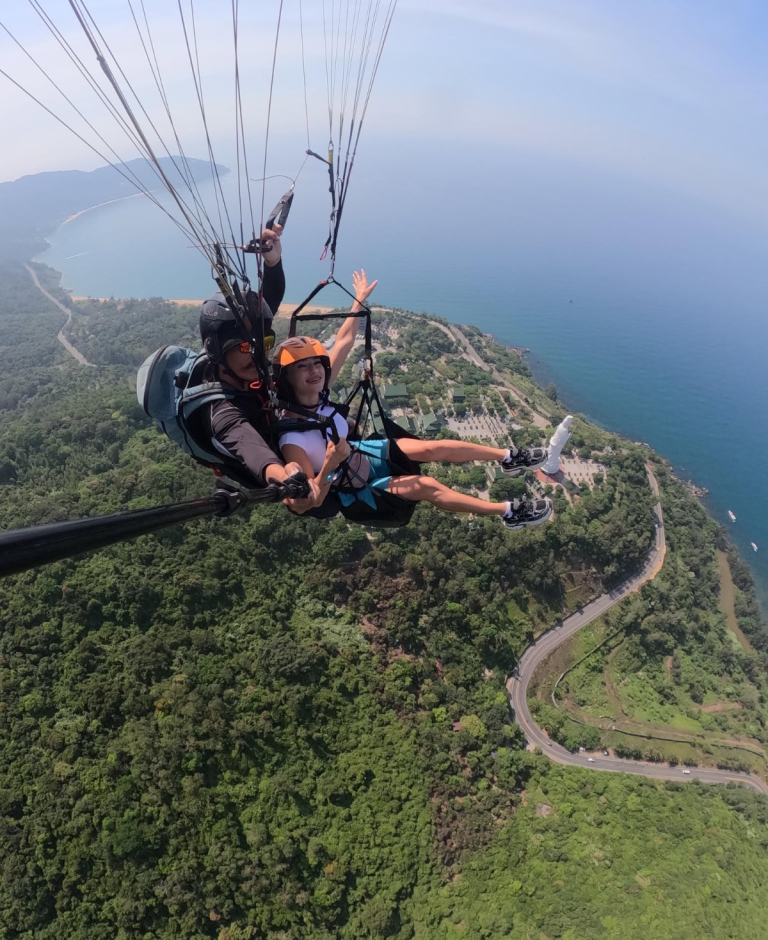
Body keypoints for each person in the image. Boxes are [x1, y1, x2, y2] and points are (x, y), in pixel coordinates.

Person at [273, 271, 553, 530]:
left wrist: (359, 300)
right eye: (302, 367)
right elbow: (313, 499)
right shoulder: (293, 439)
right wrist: (331, 463)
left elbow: (344, 341)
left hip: (361, 451)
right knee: (426, 486)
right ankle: (509, 512)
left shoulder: (320, 394)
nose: (314, 371)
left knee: (432, 448)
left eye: (316, 364)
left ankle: (509, 457)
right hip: (357, 484)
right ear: (287, 378)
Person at [194, 224, 305, 490]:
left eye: (265, 343)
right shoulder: (221, 410)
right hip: (256, 468)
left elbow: (268, 306)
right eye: (245, 348)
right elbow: (249, 446)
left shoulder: (244, 362)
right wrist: (283, 475)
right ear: (216, 351)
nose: (258, 354)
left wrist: (272, 261)